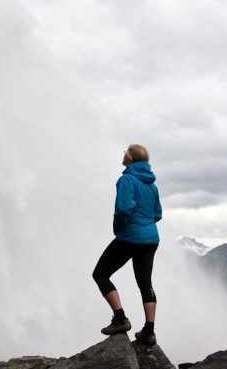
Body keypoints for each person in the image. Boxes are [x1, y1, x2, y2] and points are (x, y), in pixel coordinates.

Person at [92, 143, 162, 345]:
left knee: (100, 273)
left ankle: (120, 319)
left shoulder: (127, 180)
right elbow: (157, 213)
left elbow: (123, 210)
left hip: (130, 236)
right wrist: (146, 225)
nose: (123, 154)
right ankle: (149, 331)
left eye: (126, 152)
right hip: (151, 238)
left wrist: (119, 229)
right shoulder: (152, 184)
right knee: (145, 283)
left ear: (130, 158)